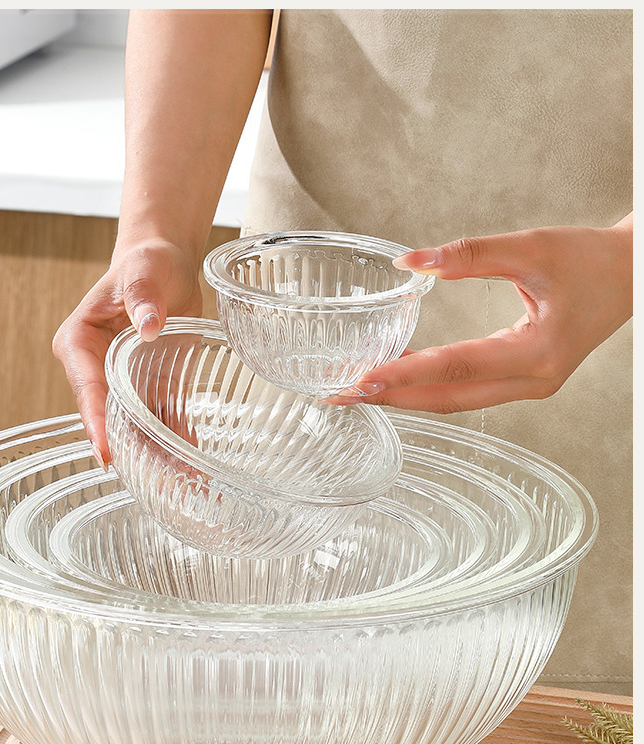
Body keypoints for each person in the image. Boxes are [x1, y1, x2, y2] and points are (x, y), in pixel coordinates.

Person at [53, 9, 632, 693]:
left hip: (615, 345)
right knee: (288, 682)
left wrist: (628, 260)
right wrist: (158, 232)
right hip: (294, 317)